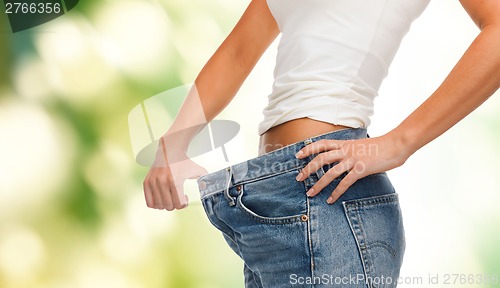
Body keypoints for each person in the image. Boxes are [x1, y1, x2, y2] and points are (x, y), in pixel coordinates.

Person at [143, 0, 500, 287]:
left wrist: (400, 143)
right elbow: (239, 50)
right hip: (270, 197)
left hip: (329, 197)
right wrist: (172, 144)